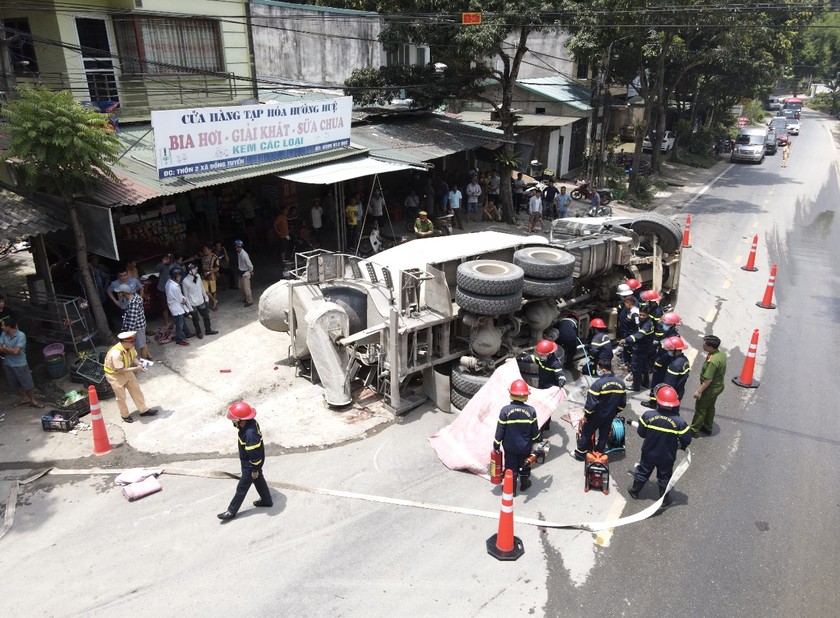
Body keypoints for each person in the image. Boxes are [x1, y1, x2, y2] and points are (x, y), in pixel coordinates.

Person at [628, 385, 691, 508]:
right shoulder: (680, 422)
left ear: (658, 401)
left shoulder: (648, 416)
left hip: (649, 453)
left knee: (643, 471)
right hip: (667, 456)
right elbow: (687, 440)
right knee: (664, 476)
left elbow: (642, 433)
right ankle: (664, 500)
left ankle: (634, 491)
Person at [217, 402, 273, 521]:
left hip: (250, 464)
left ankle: (231, 511)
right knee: (258, 480)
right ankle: (267, 500)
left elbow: (254, 454)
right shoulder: (250, 424)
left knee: (241, 488)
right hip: (251, 463)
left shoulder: (250, 434)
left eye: (234, 421)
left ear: (241, 420)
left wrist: (254, 469)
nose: (233, 423)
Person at [493, 380, 541, 494]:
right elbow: (535, 431)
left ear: (511, 394)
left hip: (510, 447)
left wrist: (496, 443)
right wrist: (537, 441)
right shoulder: (531, 411)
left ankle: (512, 490)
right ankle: (524, 484)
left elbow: (500, 429)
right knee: (525, 465)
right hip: (525, 447)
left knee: (511, 468)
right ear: (526, 396)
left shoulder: (505, 411)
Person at [573, 358, 626, 460]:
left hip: (596, 415)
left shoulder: (598, 384)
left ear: (603, 370)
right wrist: (615, 411)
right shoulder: (621, 383)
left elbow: (591, 404)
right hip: (610, 415)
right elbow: (622, 403)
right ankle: (598, 452)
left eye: (598, 369)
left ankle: (580, 454)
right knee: (604, 434)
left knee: (586, 432)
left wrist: (587, 416)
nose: (598, 371)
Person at [103, 331, 159, 423]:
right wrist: (136, 368)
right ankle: (124, 415)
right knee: (121, 397)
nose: (133, 343)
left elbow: (133, 358)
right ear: (124, 342)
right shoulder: (116, 353)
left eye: (133, 341)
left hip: (127, 371)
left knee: (136, 390)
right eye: (131, 342)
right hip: (115, 376)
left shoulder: (130, 347)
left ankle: (143, 410)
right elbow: (119, 370)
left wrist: (140, 364)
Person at [0, 317, 43, 408]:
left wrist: (5, 348)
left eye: (3, 326)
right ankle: (24, 398)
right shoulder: (3, 334)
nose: (2, 327)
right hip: (8, 363)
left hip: (20, 363)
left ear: (9, 326)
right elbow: (1, 348)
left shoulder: (20, 335)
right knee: (15, 383)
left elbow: (16, 352)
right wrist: (7, 349)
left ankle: (33, 401)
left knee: (27, 383)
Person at [691, 334, 727, 437]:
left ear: (711, 347)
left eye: (705, 345)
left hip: (710, 388)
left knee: (701, 408)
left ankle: (694, 429)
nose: (703, 345)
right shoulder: (721, 354)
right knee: (710, 407)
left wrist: (699, 391)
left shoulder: (713, 361)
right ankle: (707, 427)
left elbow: (708, 380)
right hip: (718, 386)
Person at [644, 335, 690, 408]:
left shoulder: (674, 365)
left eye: (670, 350)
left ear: (677, 350)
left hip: (671, 396)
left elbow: (669, 383)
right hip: (679, 392)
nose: (669, 352)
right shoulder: (684, 359)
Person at [620, 301, 654, 392]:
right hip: (646, 348)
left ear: (648, 315)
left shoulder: (647, 325)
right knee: (645, 366)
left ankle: (636, 386)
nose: (641, 317)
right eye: (640, 315)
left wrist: (626, 340)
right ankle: (645, 383)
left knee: (636, 367)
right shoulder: (644, 321)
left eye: (644, 315)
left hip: (641, 349)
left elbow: (639, 335)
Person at [182, 263, 219, 339]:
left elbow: (202, 287)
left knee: (206, 316)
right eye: (194, 269)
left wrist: (205, 296)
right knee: (195, 319)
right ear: (190, 271)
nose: (196, 270)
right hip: (192, 303)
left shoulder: (198, 276)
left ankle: (208, 330)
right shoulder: (185, 281)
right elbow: (186, 296)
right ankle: (199, 332)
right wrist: (189, 307)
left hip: (201, 301)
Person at [117, 284, 151, 361]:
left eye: (120, 292)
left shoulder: (133, 303)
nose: (119, 294)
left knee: (142, 345)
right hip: (140, 323)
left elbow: (132, 319)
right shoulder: (135, 296)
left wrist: (128, 333)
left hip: (138, 327)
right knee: (142, 342)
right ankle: (149, 356)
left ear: (124, 293)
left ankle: (143, 362)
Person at [166, 267, 193, 346]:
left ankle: (188, 333)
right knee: (179, 324)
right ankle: (179, 339)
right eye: (180, 276)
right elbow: (181, 300)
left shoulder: (169, 282)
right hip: (176, 307)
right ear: (176, 276)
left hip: (175, 306)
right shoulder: (174, 287)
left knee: (182, 322)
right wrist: (188, 309)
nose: (181, 277)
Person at [235, 239, 255, 307]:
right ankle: (246, 298)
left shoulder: (244, 255)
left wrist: (251, 270)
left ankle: (250, 301)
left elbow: (249, 264)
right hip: (241, 272)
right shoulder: (239, 253)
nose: (236, 248)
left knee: (247, 288)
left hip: (246, 273)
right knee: (240, 287)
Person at [155, 254, 174, 327]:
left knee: (172, 305)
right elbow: (156, 269)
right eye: (166, 258)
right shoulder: (161, 265)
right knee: (164, 306)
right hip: (162, 289)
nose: (167, 260)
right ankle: (166, 322)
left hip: (171, 289)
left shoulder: (173, 266)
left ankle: (174, 320)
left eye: (168, 258)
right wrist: (163, 263)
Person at [200, 244, 220, 311]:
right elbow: (194, 257)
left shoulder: (215, 257)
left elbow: (217, 268)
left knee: (213, 291)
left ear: (210, 249)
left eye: (205, 249)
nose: (204, 251)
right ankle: (214, 300)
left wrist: (209, 272)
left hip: (211, 275)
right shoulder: (202, 256)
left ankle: (214, 305)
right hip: (204, 275)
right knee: (205, 290)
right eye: (203, 249)